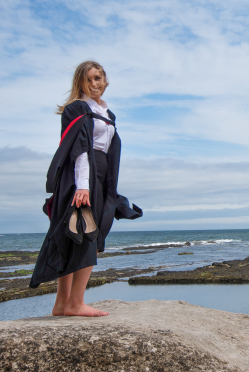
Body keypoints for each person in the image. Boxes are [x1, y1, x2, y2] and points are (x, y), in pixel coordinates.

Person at [30, 61, 142, 317]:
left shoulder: (108, 113)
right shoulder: (77, 108)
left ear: (105, 80)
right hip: (82, 175)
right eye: (89, 80)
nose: (95, 85)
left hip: (100, 176)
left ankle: (62, 305)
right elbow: (80, 149)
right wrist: (83, 186)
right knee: (84, 231)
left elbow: (109, 150)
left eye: (98, 78)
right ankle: (74, 303)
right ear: (80, 82)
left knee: (81, 232)